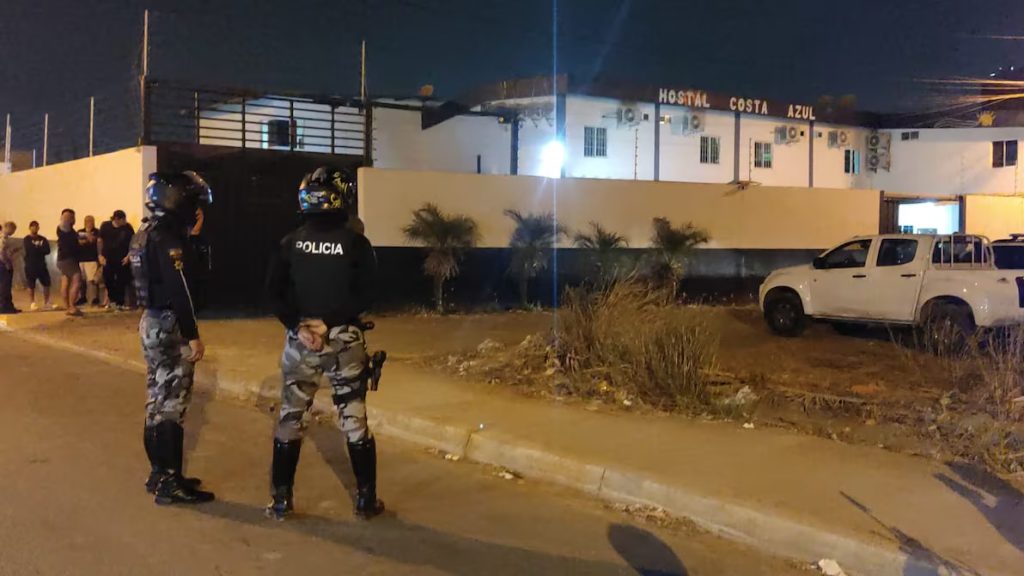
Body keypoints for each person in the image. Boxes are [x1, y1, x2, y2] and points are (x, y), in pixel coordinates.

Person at [265, 166, 382, 521]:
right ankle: (365, 501)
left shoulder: (290, 242)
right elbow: (368, 293)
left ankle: (281, 500)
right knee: (354, 419)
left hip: (300, 339)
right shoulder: (356, 243)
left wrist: (298, 326)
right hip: (344, 339)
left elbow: (272, 293)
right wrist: (329, 322)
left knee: (290, 418)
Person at [130, 171, 214, 506]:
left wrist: (193, 236)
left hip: (150, 320)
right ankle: (170, 481)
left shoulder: (146, 231)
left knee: (156, 399)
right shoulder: (168, 237)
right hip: (169, 322)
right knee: (172, 404)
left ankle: (159, 474)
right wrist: (193, 336)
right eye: (192, 202)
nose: (196, 209)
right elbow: (180, 289)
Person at [98, 210, 135, 310]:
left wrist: (128, 256)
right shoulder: (105, 226)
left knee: (122, 281)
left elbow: (133, 242)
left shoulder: (128, 228)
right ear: (117, 219)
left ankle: (120, 303)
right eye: (123, 219)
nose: (125, 221)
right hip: (108, 258)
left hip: (122, 258)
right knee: (108, 279)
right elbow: (100, 241)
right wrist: (100, 255)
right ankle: (112, 300)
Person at [56, 209, 83, 316]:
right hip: (68, 259)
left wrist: (83, 238)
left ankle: (68, 307)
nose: (73, 219)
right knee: (77, 280)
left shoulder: (70, 231)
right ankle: (72, 306)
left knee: (65, 281)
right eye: (71, 217)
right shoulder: (64, 228)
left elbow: (75, 237)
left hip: (63, 259)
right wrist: (67, 216)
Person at [22, 221, 53, 311]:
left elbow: (47, 250)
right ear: (30, 228)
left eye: (36, 226)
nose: (35, 228)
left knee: (47, 283)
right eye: (33, 226)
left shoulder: (43, 239)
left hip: (41, 265)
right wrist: (39, 248)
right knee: (31, 284)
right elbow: (29, 249)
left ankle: (46, 302)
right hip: (30, 265)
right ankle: (32, 303)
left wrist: (37, 248)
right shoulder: (26, 239)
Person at [77, 215, 103, 307]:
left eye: (91, 221)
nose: (89, 223)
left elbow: (95, 241)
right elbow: (77, 242)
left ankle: (95, 298)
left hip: (92, 259)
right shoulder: (80, 232)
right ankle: (82, 297)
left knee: (93, 280)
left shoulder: (97, 232)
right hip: (81, 259)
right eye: (87, 221)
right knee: (81, 280)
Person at [0, 221, 20, 314]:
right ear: (8, 228)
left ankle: (8, 306)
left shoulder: (5, 238)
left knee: (6, 286)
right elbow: (1, 253)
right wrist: (6, 263)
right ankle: (4, 307)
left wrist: (13, 251)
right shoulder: (3, 239)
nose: (13, 232)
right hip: (3, 265)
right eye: (13, 229)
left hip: (4, 264)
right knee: (5, 287)